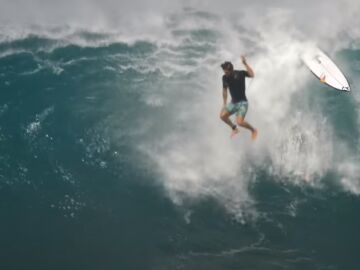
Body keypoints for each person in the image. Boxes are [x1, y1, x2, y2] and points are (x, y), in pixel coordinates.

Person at [220, 56, 258, 139]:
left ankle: (253, 130)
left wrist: (245, 63)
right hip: (233, 103)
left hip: (243, 103)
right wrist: (224, 103)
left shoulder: (240, 74)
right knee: (222, 116)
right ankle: (234, 129)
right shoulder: (224, 78)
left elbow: (252, 75)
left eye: (226, 72)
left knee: (239, 122)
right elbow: (224, 91)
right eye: (224, 72)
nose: (225, 73)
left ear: (231, 70)